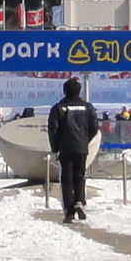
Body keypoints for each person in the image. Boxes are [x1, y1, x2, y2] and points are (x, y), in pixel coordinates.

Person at [46, 76, 99, 224]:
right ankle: (80, 201)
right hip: (81, 148)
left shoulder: (58, 108)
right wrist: (85, 140)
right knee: (80, 176)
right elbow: (95, 127)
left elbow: (53, 129)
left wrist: (55, 148)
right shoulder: (88, 107)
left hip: (65, 148)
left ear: (64, 91)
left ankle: (69, 211)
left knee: (66, 179)